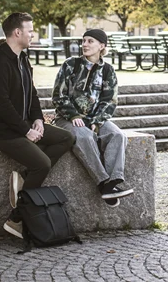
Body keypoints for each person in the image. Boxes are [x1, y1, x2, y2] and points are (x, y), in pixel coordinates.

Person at [0, 12, 75, 239]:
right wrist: (26, 131)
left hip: (24, 124)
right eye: (30, 30)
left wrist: (38, 120)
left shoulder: (23, 58)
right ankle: (15, 219)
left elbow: (31, 93)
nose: (33, 34)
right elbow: (0, 104)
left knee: (66, 138)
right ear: (17, 33)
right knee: (42, 164)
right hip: (2, 131)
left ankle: (24, 178)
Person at [51, 29, 134, 207]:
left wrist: (96, 121)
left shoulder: (108, 70)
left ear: (101, 46)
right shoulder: (70, 64)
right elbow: (58, 95)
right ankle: (103, 183)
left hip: (95, 118)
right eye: (84, 41)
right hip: (67, 118)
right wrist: (73, 115)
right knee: (84, 136)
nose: (85, 44)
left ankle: (113, 182)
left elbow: (109, 101)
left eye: (90, 41)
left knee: (118, 135)